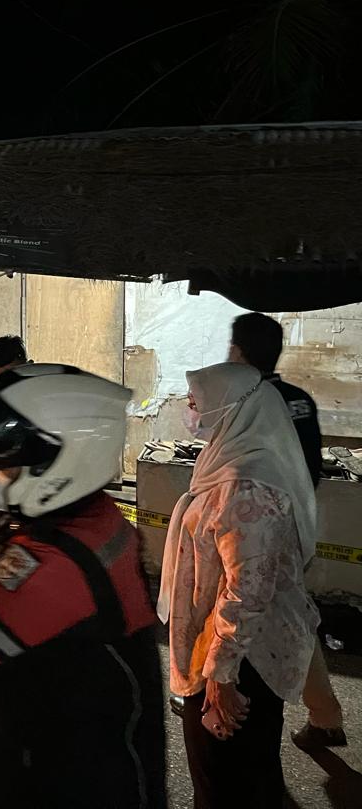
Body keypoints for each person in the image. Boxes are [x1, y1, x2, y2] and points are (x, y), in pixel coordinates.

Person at [0, 364, 165, 809]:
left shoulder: (47, 569)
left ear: (59, 461)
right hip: (95, 764)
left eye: (4, 453)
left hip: (49, 779)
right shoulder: (95, 517)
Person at [159, 362, 319, 809]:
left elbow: (248, 589)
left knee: (223, 778)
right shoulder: (229, 460)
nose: (190, 411)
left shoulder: (246, 486)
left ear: (231, 409)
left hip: (240, 655)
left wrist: (222, 674)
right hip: (225, 644)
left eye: (196, 403)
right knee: (249, 773)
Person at [227, 311, 344, 751]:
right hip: (295, 529)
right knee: (291, 614)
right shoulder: (298, 399)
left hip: (252, 531)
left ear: (237, 351)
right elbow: (310, 467)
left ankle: (218, 691)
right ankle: (325, 716)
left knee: (235, 607)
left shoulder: (246, 402)